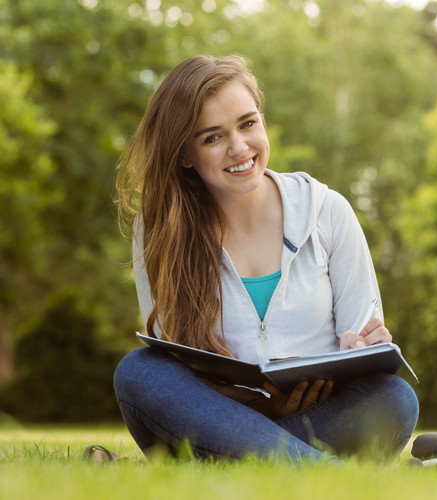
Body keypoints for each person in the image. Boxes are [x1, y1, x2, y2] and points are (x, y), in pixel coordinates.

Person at [113, 54, 419, 462]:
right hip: (212, 419)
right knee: (140, 372)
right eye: (212, 137)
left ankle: (224, 467)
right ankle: (325, 475)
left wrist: (365, 345)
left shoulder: (328, 211)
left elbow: (360, 339)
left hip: (321, 417)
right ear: (185, 154)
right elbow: (180, 366)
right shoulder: (158, 231)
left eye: (248, 123)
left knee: (394, 398)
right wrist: (264, 409)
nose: (239, 148)